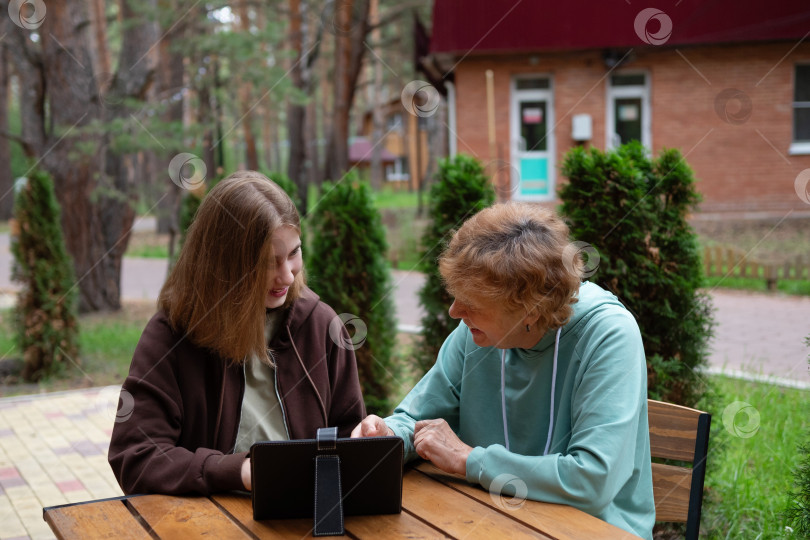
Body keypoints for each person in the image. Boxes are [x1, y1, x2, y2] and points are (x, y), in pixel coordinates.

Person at [352, 203, 655, 539]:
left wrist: (471, 461)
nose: (454, 311)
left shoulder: (608, 335)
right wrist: (387, 436)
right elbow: (416, 420)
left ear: (530, 309)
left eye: (472, 302)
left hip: (590, 529)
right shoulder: (475, 334)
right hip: (488, 520)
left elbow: (593, 479)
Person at [109, 171, 365, 495]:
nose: (287, 276)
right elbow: (136, 456)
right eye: (269, 262)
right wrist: (238, 472)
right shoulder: (171, 336)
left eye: (293, 254)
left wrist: (365, 439)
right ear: (226, 264)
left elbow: (349, 434)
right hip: (204, 524)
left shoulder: (321, 326)